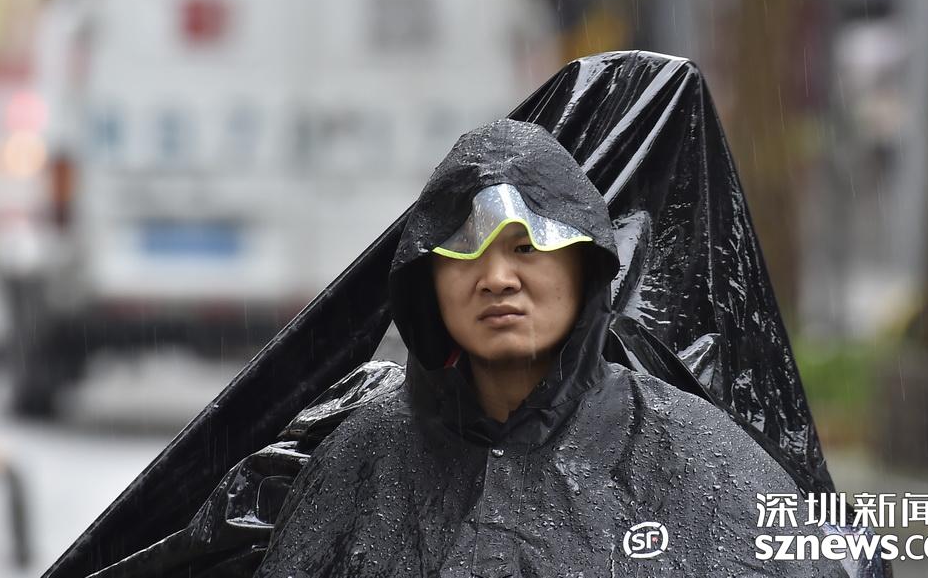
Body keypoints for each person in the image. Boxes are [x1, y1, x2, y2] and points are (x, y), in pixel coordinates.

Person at [252, 118, 847, 577]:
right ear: (426, 283)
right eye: (463, 252)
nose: (497, 278)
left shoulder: (693, 456)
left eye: (526, 247)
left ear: (583, 267)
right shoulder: (361, 458)